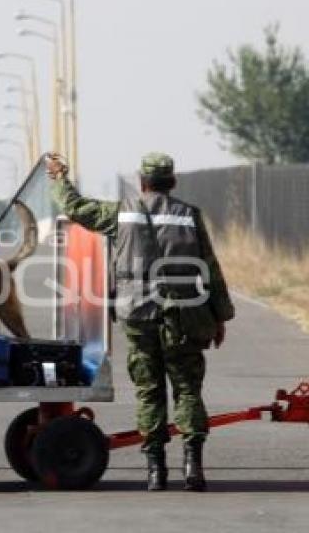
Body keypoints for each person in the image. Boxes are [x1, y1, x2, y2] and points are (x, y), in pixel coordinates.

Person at [46, 152, 234, 492]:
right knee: (188, 389)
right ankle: (193, 467)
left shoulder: (120, 212)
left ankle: (155, 471)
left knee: (149, 391)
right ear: (172, 181)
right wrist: (220, 315)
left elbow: (75, 208)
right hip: (185, 313)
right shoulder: (189, 215)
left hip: (138, 313)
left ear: (142, 181)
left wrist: (60, 178)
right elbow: (211, 268)